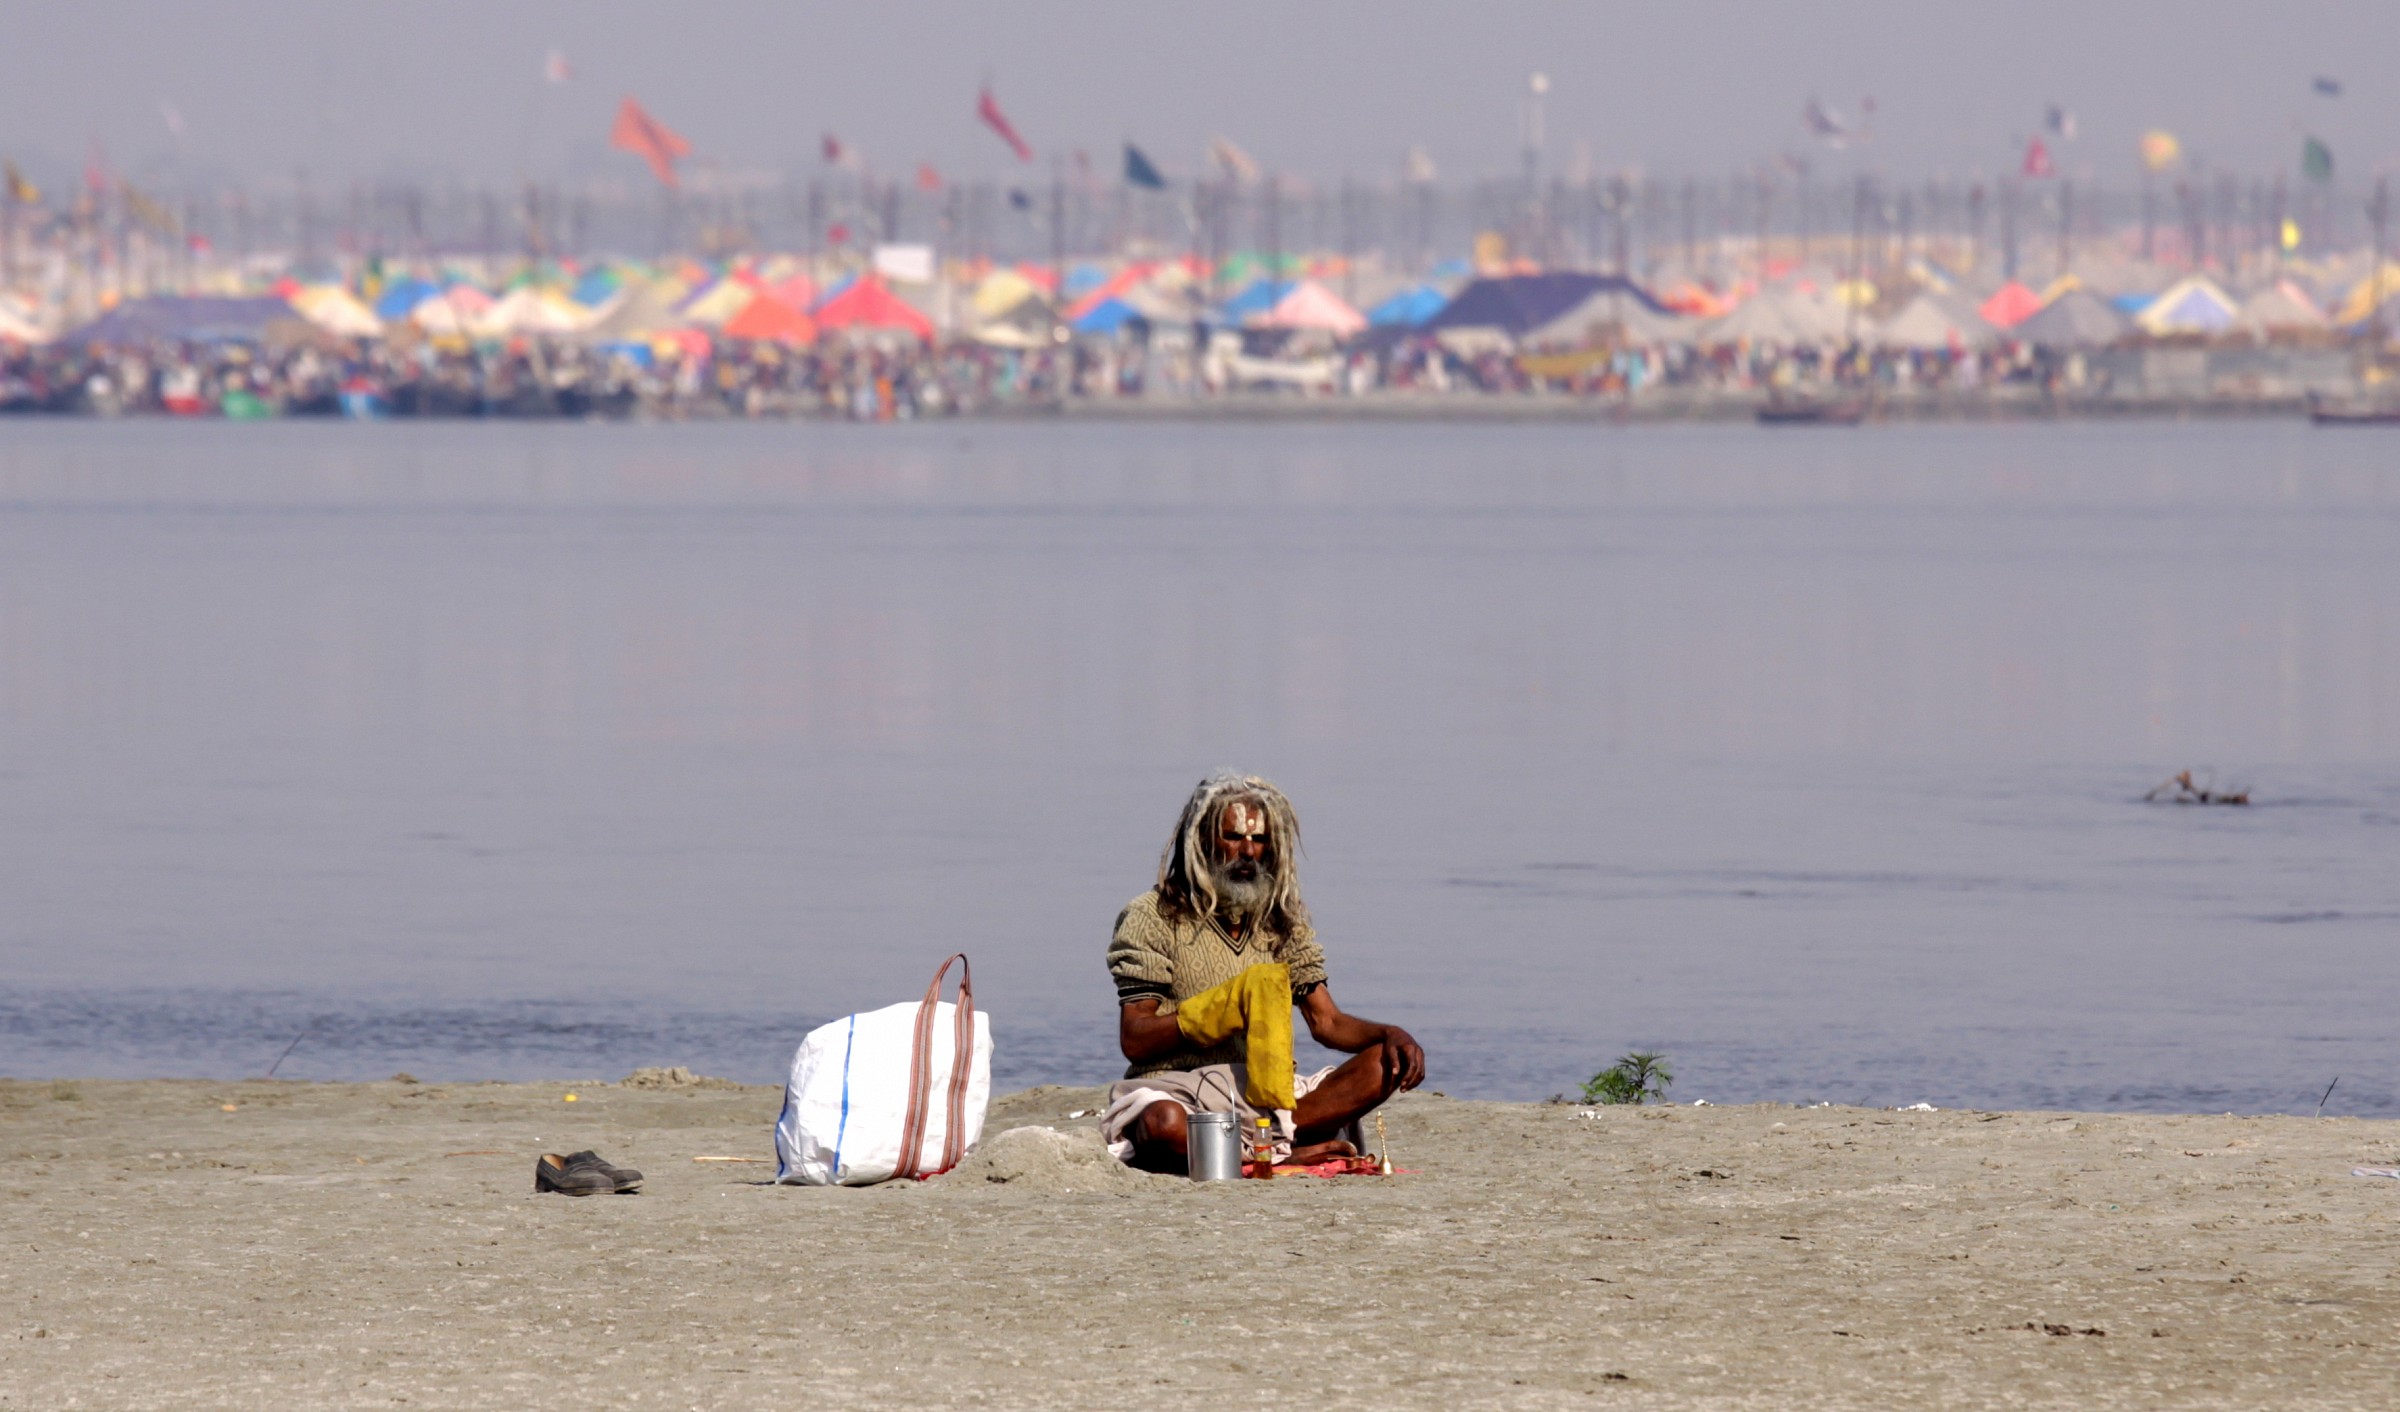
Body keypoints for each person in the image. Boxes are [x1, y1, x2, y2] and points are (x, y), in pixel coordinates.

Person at [1102, 771, 1426, 1171]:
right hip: (1180, 1088)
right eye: (1233, 837)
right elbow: (1135, 1039)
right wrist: (1217, 1010)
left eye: (1258, 840)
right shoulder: (1152, 915)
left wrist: (1391, 1034)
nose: (1248, 851)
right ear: (1201, 840)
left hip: (1267, 1095)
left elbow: (1327, 1022)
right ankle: (1280, 1150)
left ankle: (1260, 1148)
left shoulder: (1281, 920)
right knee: (1162, 1124)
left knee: (1383, 1064)